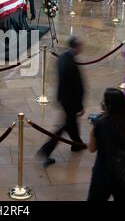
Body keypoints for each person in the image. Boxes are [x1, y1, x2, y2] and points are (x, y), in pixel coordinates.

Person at [37, 37, 88, 167]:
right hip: (70, 100)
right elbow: (75, 87)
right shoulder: (70, 63)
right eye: (81, 45)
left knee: (71, 124)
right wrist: (79, 105)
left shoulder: (63, 58)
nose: (82, 48)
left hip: (64, 98)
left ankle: (77, 144)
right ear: (76, 47)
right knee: (65, 126)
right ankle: (46, 150)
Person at [87, 88, 125, 202]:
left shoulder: (101, 123)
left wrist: (93, 128)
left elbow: (91, 148)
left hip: (105, 172)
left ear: (108, 106)